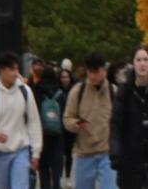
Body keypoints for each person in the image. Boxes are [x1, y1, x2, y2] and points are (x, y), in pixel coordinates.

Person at [0, 51, 42, 189]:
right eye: (12, 69)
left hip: (21, 150)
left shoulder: (25, 91)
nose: (15, 73)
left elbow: (33, 121)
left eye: (17, 69)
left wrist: (36, 152)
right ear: (2, 70)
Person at [63, 51, 117, 189]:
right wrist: (77, 124)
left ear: (104, 70)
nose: (92, 75)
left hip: (107, 153)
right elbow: (67, 118)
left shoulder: (114, 92)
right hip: (84, 154)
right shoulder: (78, 91)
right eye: (89, 71)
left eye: (95, 71)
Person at [109, 44, 148, 189]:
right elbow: (116, 124)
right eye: (138, 60)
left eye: (145, 59)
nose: (142, 63)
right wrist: (115, 152)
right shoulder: (124, 91)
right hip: (130, 159)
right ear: (133, 63)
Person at [34, 67, 66, 189]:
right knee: (56, 172)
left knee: (43, 171)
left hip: (41, 137)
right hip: (57, 137)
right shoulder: (60, 93)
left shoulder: (37, 92)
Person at [59, 68, 77, 186]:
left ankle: (69, 176)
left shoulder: (74, 91)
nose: (65, 79)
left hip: (70, 127)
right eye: (63, 77)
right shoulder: (57, 91)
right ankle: (61, 176)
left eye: (67, 77)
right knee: (61, 152)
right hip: (59, 126)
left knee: (69, 152)